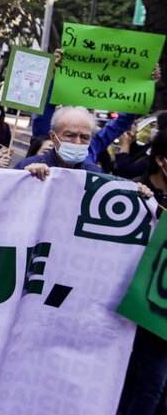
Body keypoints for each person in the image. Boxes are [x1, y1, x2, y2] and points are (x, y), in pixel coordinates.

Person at [119, 129, 167, 415]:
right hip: (134, 302)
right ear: (161, 160)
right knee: (146, 383)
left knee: (155, 387)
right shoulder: (135, 195)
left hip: (160, 312)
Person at [15, 106, 101, 178]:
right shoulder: (28, 166)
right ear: (53, 137)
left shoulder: (95, 175)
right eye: (70, 135)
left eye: (84, 137)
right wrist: (26, 177)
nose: (78, 142)